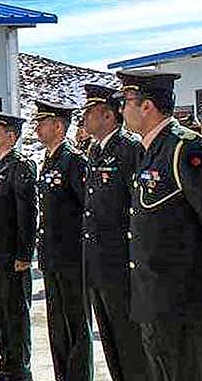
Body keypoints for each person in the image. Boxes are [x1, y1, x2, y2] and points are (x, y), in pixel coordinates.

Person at [118, 70, 202, 381]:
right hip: (154, 301)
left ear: (147, 106)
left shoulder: (185, 149)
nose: (122, 109)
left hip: (184, 301)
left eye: (126, 101)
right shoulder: (150, 151)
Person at [80, 83, 146, 381]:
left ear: (108, 115)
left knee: (129, 341)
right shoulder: (96, 149)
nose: (84, 119)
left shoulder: (129, 149)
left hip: (121, 264)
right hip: (99, 264)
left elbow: (137, 209)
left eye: (90, 112)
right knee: (109, 339)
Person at [33, 100, 92, 381]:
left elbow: (87, 211)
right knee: (57, 324)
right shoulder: (49, 160)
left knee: (76, 325)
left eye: (42, 123)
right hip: (53, 256)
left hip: (72, 257)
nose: (36, 128)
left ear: (58, 126)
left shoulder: (74, 161)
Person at [0, 109, 37, 381]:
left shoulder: (20, 166)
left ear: (11, 136)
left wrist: (25, 253)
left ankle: (19, 369)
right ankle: (7, 365)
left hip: (12, 254)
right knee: (1, 309)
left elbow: (27, 213)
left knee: (15, 312)